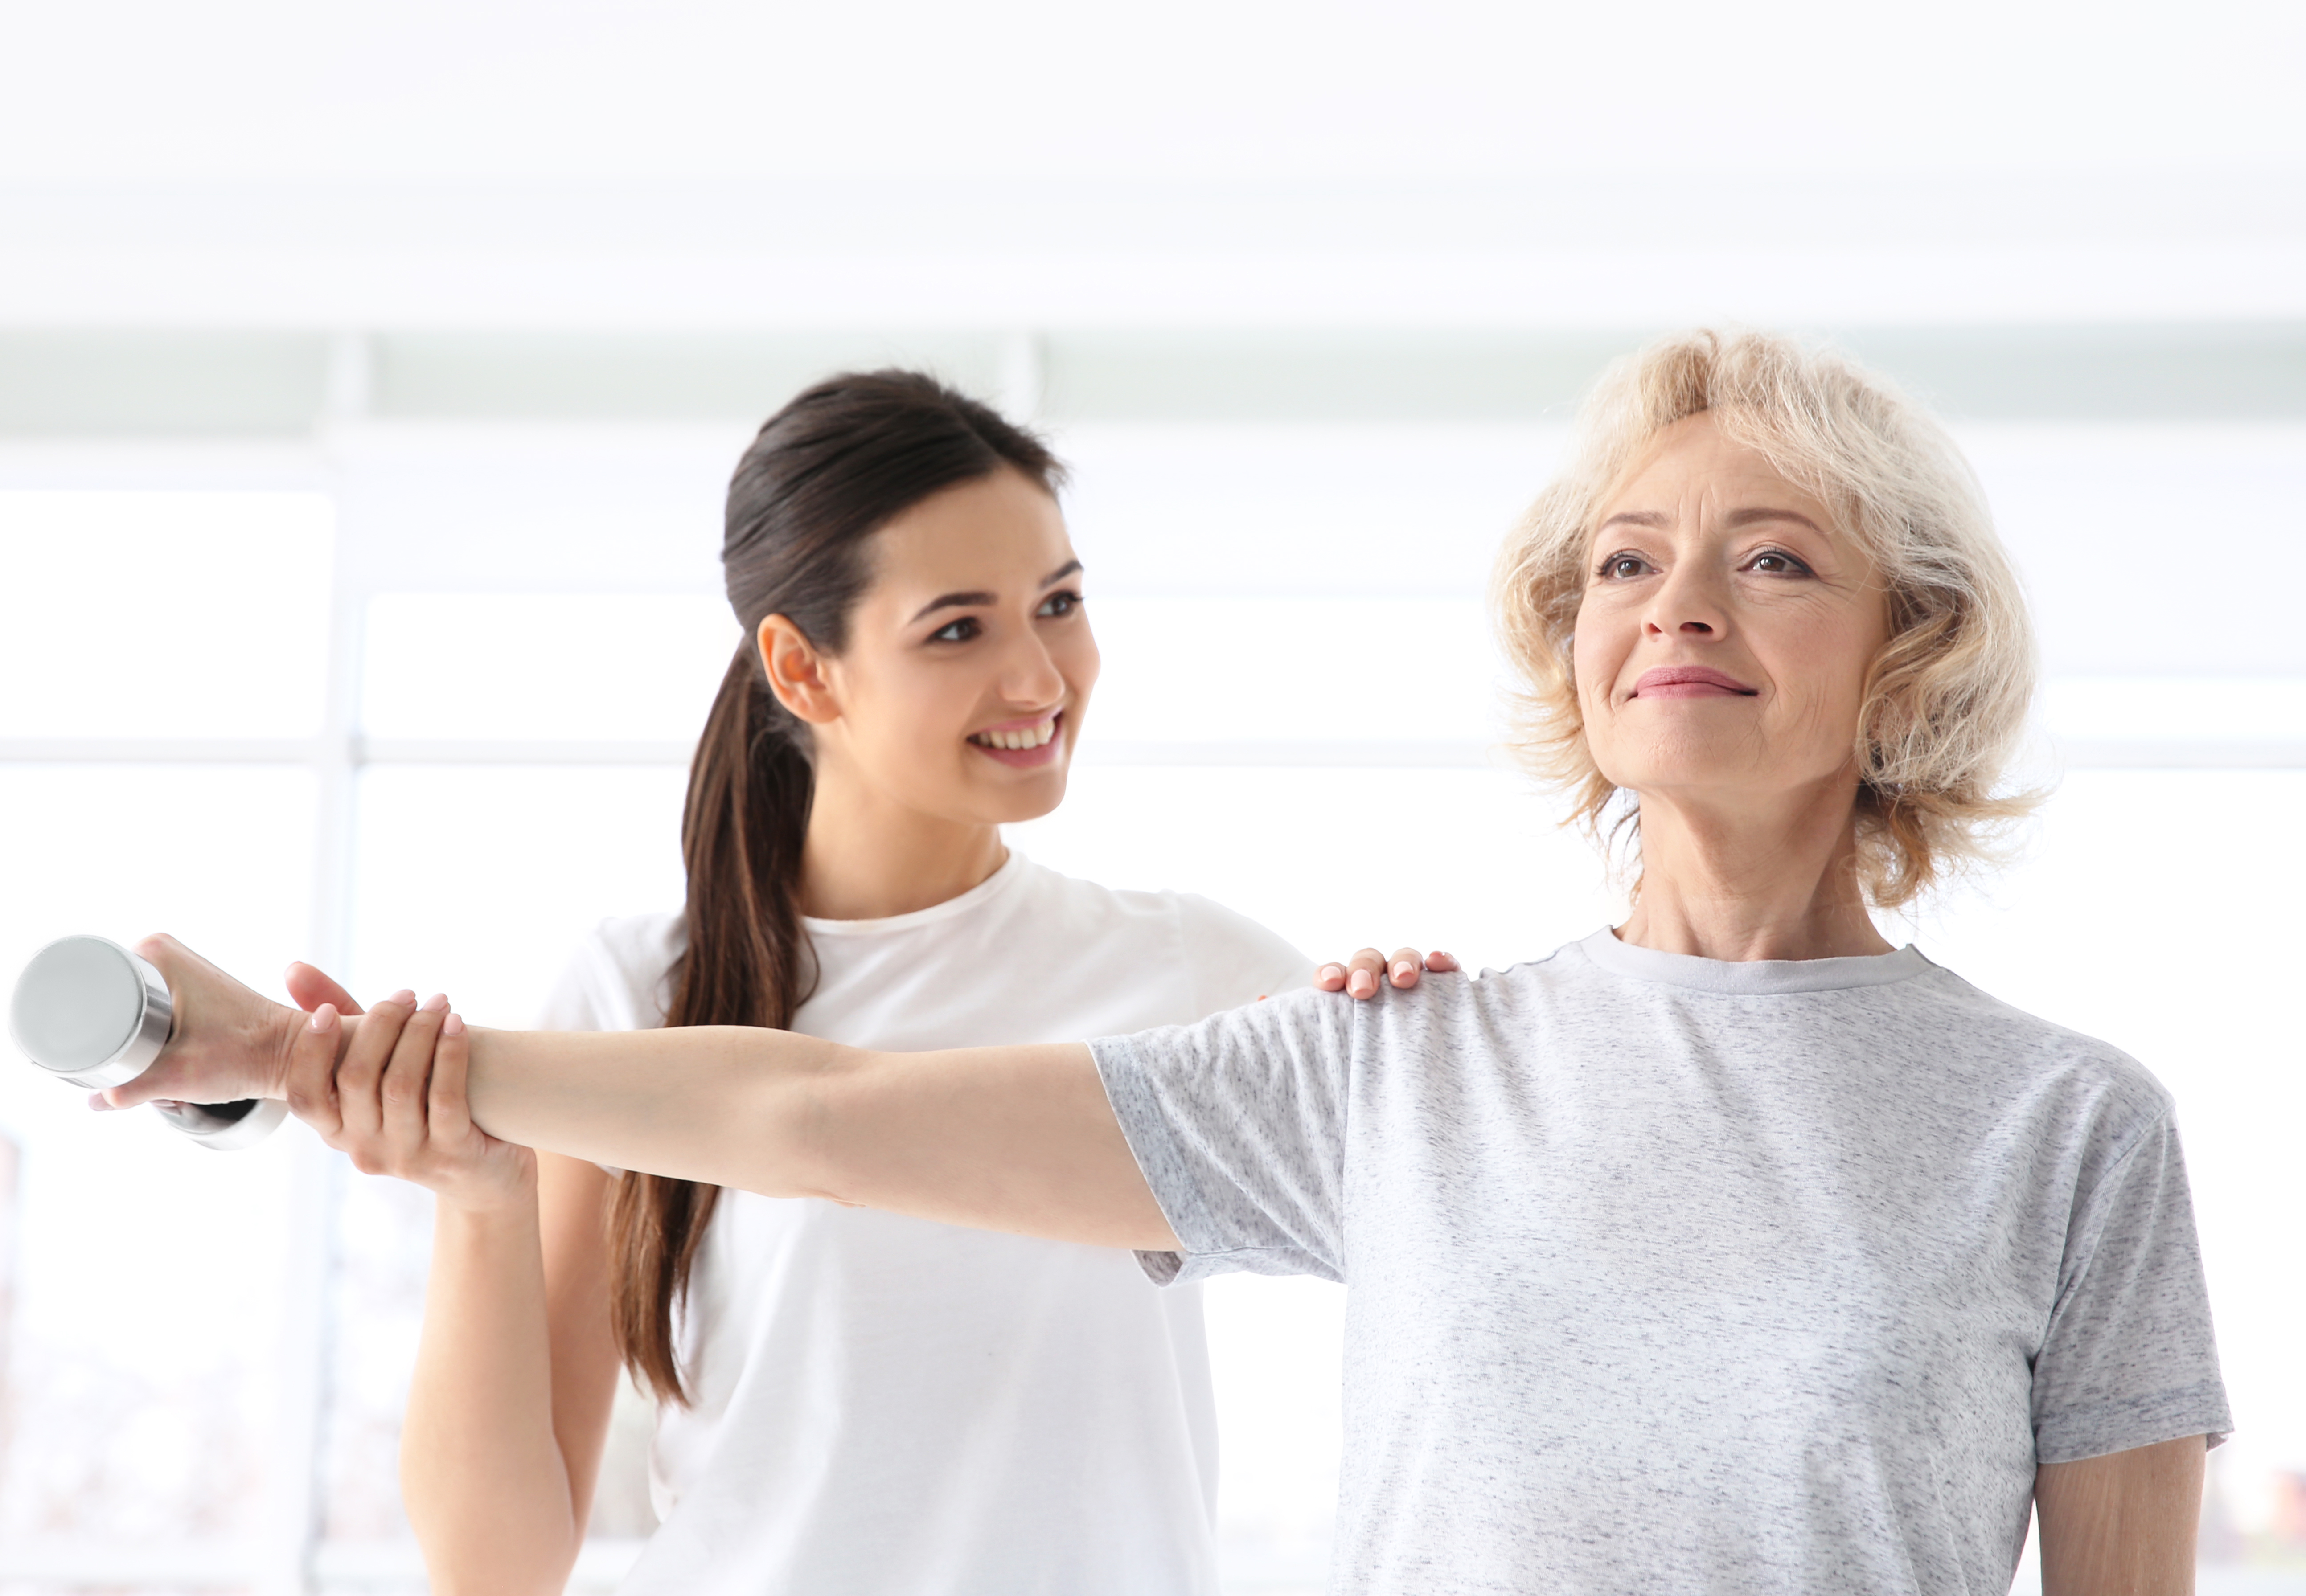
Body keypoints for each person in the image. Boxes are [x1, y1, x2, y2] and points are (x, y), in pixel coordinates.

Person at [115, 331, 2230, 1596]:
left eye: (1771, 560)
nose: (1678, 603)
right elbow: (811, 1110)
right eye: (1623, 561)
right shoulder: (1397, 1068)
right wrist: (308, 1059)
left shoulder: (2066, 1127)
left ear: (1908, 651)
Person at [234, 371, 1315, 1596]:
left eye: (1058, 604)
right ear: (803, 670)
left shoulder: (1190, 971)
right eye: (958, 629)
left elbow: (1439, 1177)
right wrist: (479, 1196)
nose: (1039, 678)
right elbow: (497, 1569)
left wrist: (1396, 1014)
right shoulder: (637, 992)